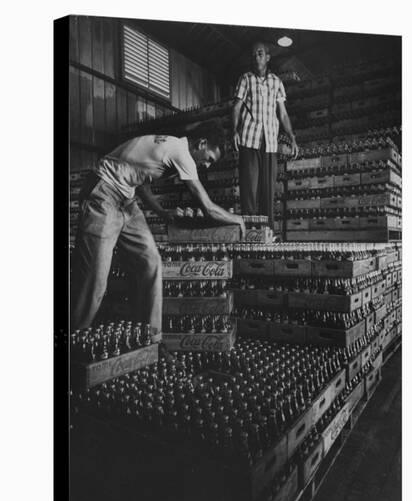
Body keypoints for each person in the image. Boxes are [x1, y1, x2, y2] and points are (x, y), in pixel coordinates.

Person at [70, 120, 245, 342]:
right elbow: (208, 208)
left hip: (126, 198)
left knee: (151, 262)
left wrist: (162, 213)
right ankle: (72, 343)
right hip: (103, 193)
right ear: (201, 144)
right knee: (94, 281)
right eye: (209, 159)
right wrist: (237, 219)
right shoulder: (181, 153)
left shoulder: (169, 146)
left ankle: (151, 339)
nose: (207, 165)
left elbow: (141, 181)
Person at [232, 41, 299, 227]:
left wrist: (292, 138)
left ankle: (267, 233)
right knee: (249, 190)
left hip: (270, 142)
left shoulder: (276, 82)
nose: (256, 57)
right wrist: (234, 132)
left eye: (260, 54)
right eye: (254, 54)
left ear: (268, 57)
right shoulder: (245, 79)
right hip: (249, 139)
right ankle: (250, 233)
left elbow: (283, 113)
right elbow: (236, 107)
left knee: (268, 191)